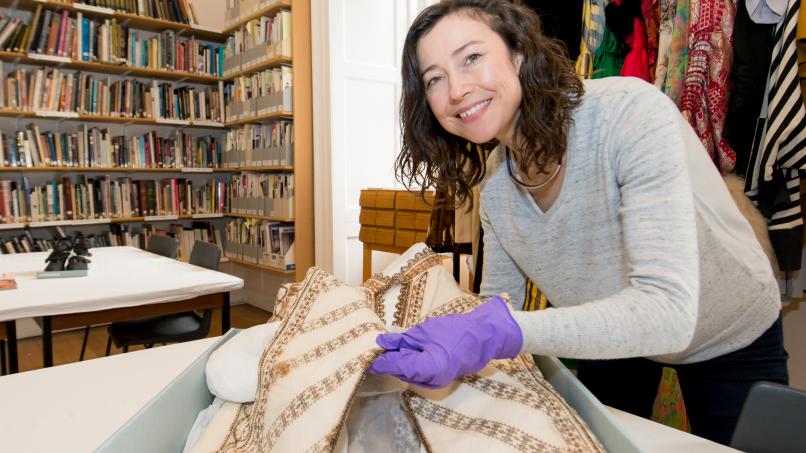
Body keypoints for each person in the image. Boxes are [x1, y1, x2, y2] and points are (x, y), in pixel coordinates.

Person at [367, 0, 788, 446]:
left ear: (519, 54)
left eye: (471, 57)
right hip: (610, 331)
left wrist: (502, 332)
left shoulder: (630, 115)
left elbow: (669, 313)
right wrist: (438, 340)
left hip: (728, 328)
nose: (456, 89)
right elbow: (498, 306)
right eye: (434, 78)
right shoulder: (494, 187)